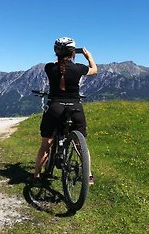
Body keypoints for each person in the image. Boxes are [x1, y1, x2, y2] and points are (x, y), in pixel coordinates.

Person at [31, 37, 98, 185]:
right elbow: (94, 70)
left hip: (55, 108)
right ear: (73, 52)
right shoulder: (79, 68)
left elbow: (58, 67)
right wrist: (89, 57)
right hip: (75, 108)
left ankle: (36, 176)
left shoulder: (49, 67)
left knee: (46, 145)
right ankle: (89, 176)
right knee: (81, 145)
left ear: (56, 51)